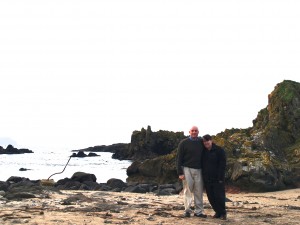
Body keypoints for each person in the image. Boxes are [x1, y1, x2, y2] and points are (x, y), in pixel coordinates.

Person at [176, 126, 207, 218]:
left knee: (199, 191)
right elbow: (179, 158)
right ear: (189, 132)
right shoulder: (183, 143)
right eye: (192, 131)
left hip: (199, 169)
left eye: (195, 131)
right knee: (187, 191)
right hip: (186, 169)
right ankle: (187, 211)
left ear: (198, 132)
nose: (194, 132)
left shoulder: (202, 142)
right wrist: (180, 173)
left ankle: (199, 212)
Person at [202, 134, 227, 220]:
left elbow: (223, 165)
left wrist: (220, 178)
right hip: (207, 179)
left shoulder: (219, 150)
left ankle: (223, 213)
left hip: (218, 178)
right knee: (211, 197)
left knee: (219, 196)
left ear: (211, 140)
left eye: (207, 140)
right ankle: (217, 212)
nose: (206, 143)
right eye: (204, 141)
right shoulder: (204, 152)